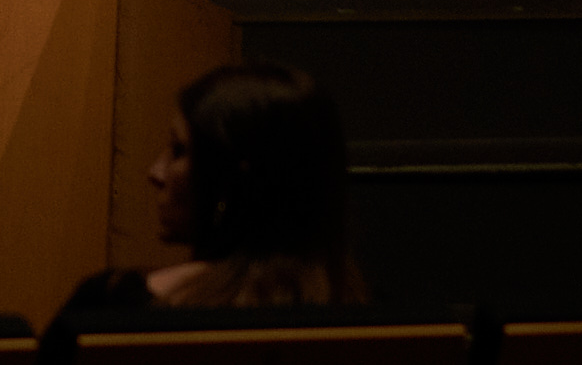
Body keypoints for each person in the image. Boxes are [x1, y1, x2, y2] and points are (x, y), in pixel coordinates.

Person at [61, 61, 369, 320]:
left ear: (235, 179)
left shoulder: (114, 308)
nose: (155, 172)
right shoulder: (374, 327)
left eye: (179, 151)